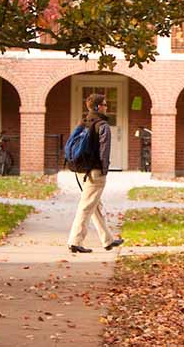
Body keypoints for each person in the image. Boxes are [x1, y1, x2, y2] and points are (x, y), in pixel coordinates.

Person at [67, 93, 124, 253]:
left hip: (80, 170)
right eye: (105, 104)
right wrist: (104, 171)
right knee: (86, 206)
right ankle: (74, 241)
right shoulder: (103, 125)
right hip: (95, 172)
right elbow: (104, 152)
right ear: (99, 107)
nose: (107, 107)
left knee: (94, 205)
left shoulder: (83, 122)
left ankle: (108, 240)